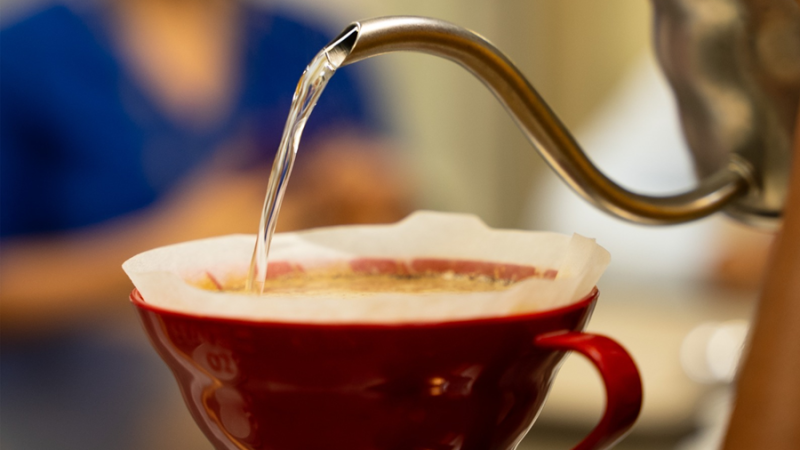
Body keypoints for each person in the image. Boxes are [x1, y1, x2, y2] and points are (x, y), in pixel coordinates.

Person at [0, 0, 411, 448]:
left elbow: (392, 246)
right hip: (77, 414)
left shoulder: (315, 49)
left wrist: (372, 204)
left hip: (301, 401)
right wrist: (172, 250)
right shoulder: (26, 56)